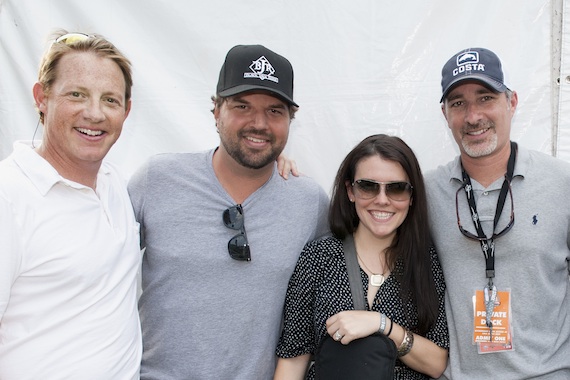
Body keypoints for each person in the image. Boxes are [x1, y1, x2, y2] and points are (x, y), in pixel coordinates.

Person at [128, 44, 330, 380]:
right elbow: (96, 273)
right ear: (216, 111)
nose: (259, 123)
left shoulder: (308, 201)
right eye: (242, 106)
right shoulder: (157, 179)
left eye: (275, 111)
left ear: (291, 120)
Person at [0, 30, 141, 379]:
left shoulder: (116, 186)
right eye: (77, 94)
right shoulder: (9, 196)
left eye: (110, 100)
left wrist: (268, 163)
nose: (94, 114)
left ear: (126, 110)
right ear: (41, 97)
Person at [426, 47, 570, 379]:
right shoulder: (427, 192)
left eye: (486, 98)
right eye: (458, 103)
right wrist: (281, 162)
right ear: (445, 114)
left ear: (512, 102)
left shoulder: (562, 183)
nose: (473, 116)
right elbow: (367, 207)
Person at [274, 134, 449, 379]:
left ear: (412, 197)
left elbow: (437, 363)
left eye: (397, 188)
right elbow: (292, 361)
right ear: (350, 191)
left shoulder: (425, 260)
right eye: (368, 186)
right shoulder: (318, 257)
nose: (382, 200)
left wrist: (384, 326)